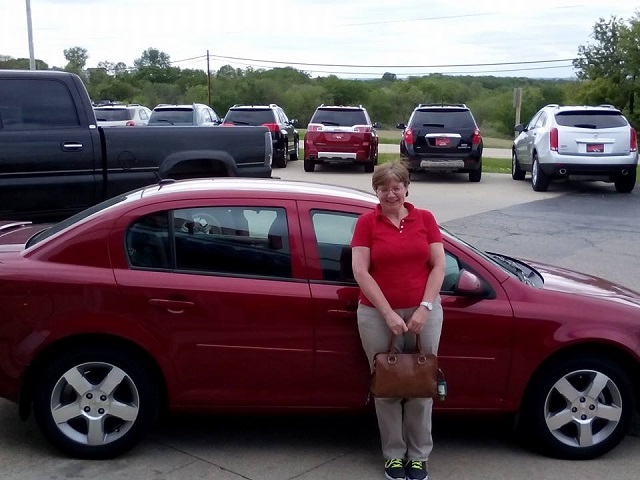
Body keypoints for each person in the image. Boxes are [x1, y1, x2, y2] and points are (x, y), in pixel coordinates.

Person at [351, 161, 445, 480]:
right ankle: (393, 454)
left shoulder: (426, 219)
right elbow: (361, 271)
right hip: (376, 315)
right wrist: (389, 313)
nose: (390, 194)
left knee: (420, 386)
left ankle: (418, 456)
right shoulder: (366, 222)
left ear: (406, 187)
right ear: (375, 191)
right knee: (388, 386)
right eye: (383, 188)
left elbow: (439, 267)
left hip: (424, 314)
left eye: (396, 187)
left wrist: (424, 307)